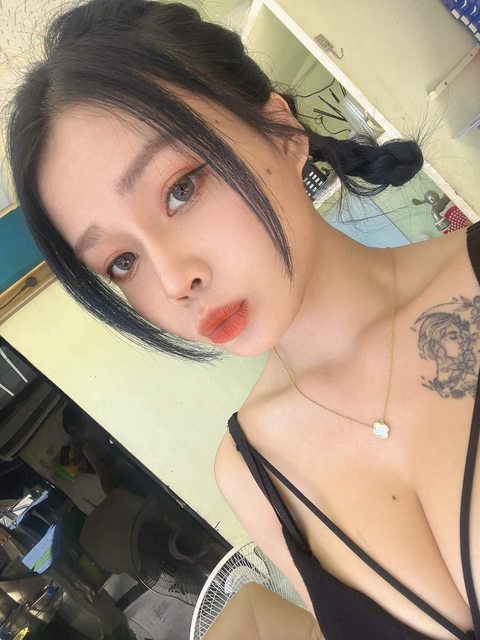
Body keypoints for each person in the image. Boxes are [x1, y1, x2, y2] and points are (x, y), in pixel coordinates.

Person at [5, 1, 479, 638]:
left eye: (181, 189)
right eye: (121, 262)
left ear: (281, 132)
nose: (174, 281)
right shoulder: (251, 472)